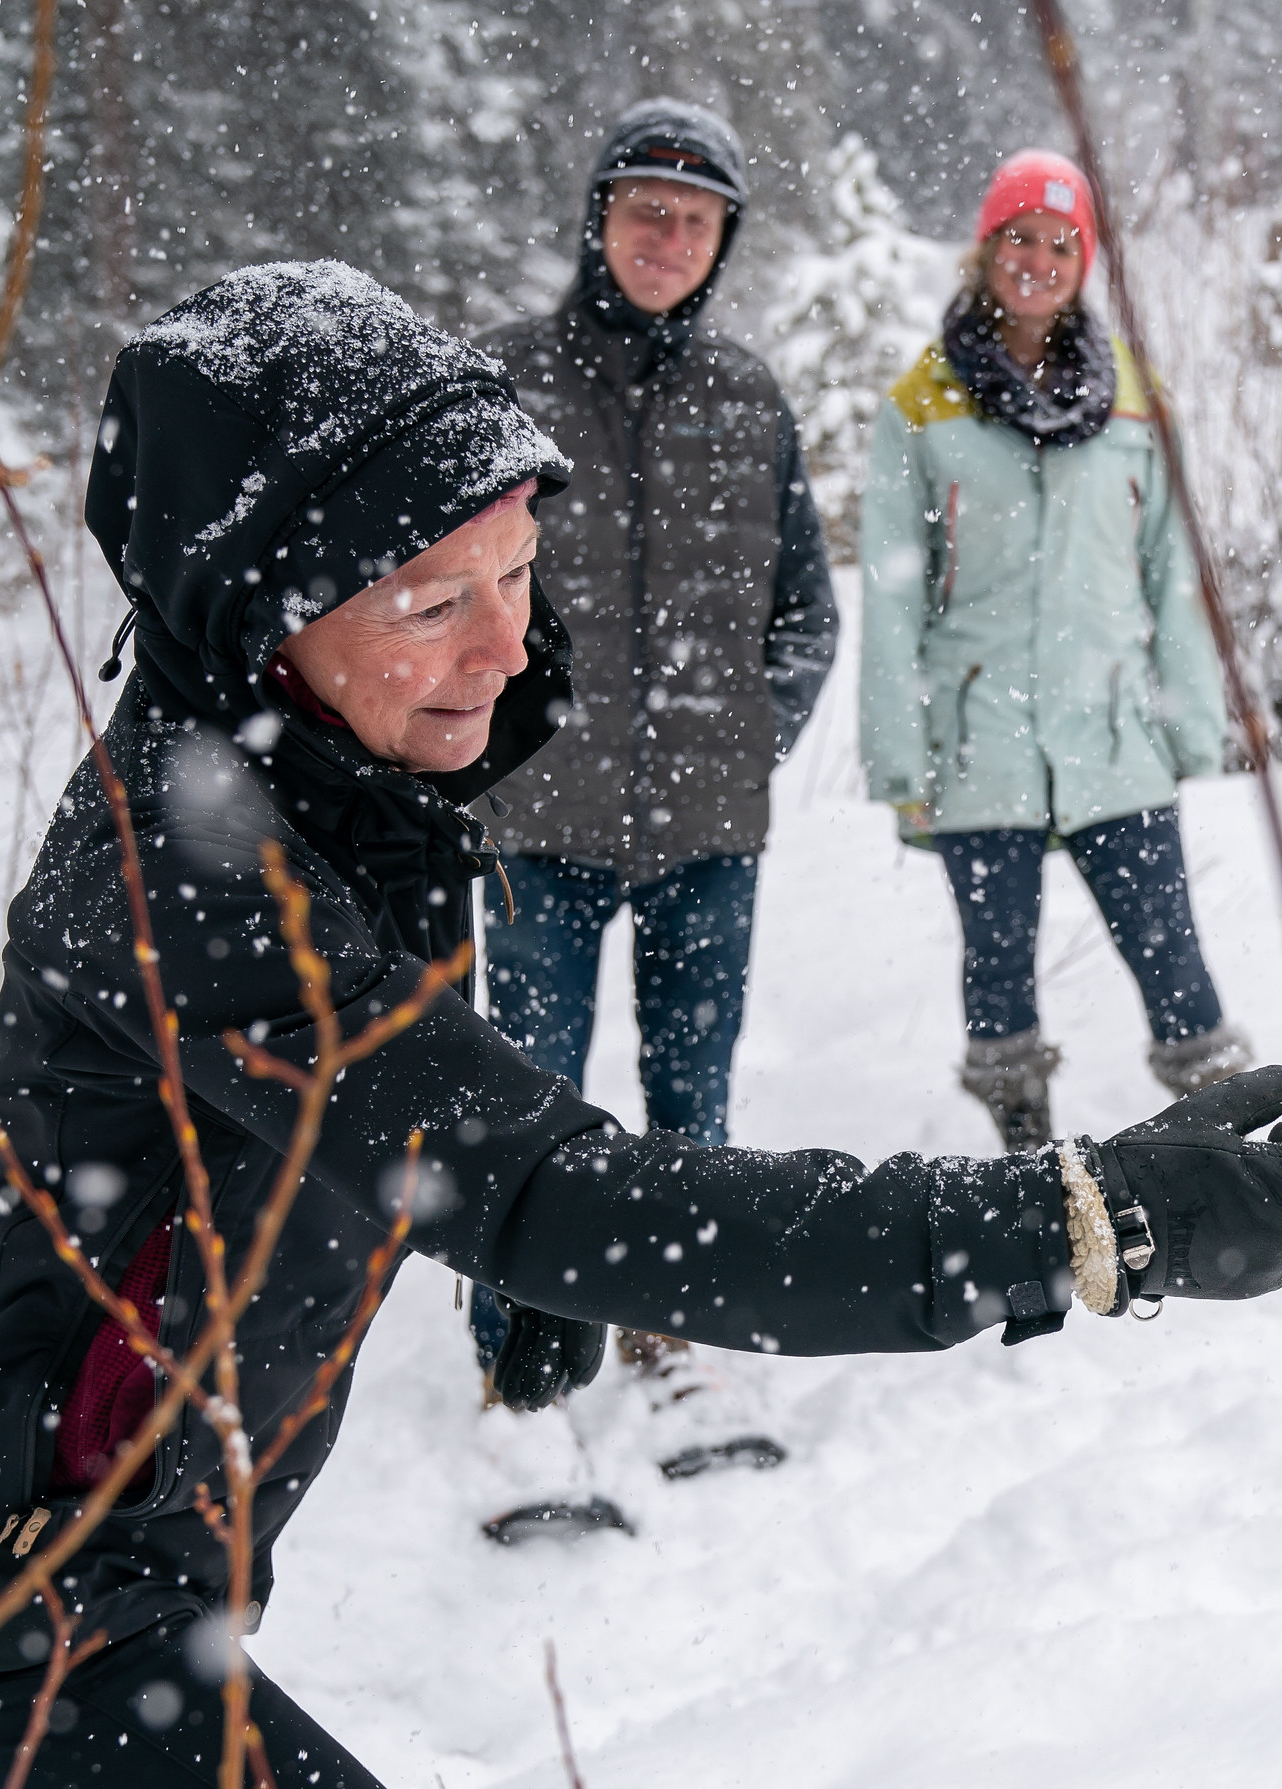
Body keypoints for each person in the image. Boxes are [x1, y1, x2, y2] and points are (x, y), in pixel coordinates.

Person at [0, 263, 1282, 1787]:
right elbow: (539, 1177)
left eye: (519, 574)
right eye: (433, 600)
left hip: (138, 1565)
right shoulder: (176, 879)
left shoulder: (350, 776)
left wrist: (469, 1219)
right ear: (260, 606)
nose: (506, 647)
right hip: (20, 1609)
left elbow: (384, 1097)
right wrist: (1080, 1221)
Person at [470, 100, 837, 1391]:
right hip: (536, 824)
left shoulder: (749, 400)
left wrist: (746, 738)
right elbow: (439, 585)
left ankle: (669, 1317)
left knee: (693, 1107)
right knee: (526, 1102)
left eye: (697, 219)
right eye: (647, 210)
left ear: (722, 241)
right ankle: (519, 1337)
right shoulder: (504, 381)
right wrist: (483, 746)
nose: (670, 238)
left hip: (706, 830)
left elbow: (808, 611)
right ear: (600, 222)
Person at [860, 149, 1249, 1152]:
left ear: (1086, 262)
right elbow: (891, 592)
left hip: (1113, 727)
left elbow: (1173, 569)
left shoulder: (1130, 394)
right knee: (996, 969)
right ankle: (1026, 1169)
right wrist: (898, 755)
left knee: (1171, 958)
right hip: (975, 736)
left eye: (1060, 243)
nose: (1037, 260)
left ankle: (1218, 1149)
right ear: (984, 250)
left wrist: (1192, 719)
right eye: (1018, 239)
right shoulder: (921, 402)